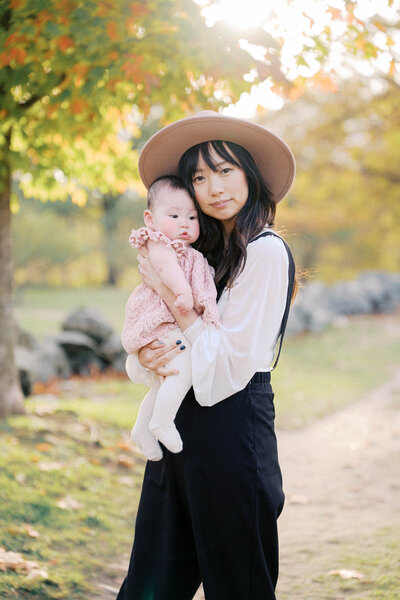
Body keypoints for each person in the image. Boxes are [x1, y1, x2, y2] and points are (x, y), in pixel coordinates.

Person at [116, 110, 296, 600]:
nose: (213, 187)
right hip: (180, 425)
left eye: (225, 170)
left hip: (233, 426)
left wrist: (177, 307)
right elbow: (167, 336)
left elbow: (228, 365)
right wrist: (152, 348)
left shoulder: (264, 252)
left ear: (249, 175)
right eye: (199, 176)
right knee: (151, 582)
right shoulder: (200, 251)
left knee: (238, 583)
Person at [121, 175, 220, 461]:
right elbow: (166, 269)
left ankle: (142, 428)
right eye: (174, 215)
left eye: (192, 216)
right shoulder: (159, 243)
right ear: (150, 219)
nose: (184, 223)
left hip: (172, 320)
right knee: (184, 366)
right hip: (160, 319)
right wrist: (184, 294)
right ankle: (161, 422)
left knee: (166, 379)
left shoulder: (189, 252)